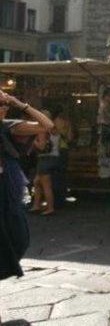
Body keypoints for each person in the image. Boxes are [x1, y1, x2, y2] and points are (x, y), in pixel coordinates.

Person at [1, 91, 54, 290]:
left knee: (19, 236)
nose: (4, 108)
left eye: (5, 105)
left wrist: (20, 104)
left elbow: (47, 125)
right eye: (1, 105)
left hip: (9, 187)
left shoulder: (10, 127)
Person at [30, 110, 60, 215]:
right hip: (54, 157)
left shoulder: (42, 130)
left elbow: (41, 147)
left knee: (46, 184)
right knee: (37, 182)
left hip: (45, 158)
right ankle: (36, 205)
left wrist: (33, 140)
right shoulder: (53, 128)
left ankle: (50, 207)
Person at [51, 111, 74, 209]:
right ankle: (60, 198)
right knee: (60, 175)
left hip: (57, 150)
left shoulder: (54, 123)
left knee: (56, 175)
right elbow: (69, 139)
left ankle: (57, 199)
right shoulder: (66, 124)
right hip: (62, 150)